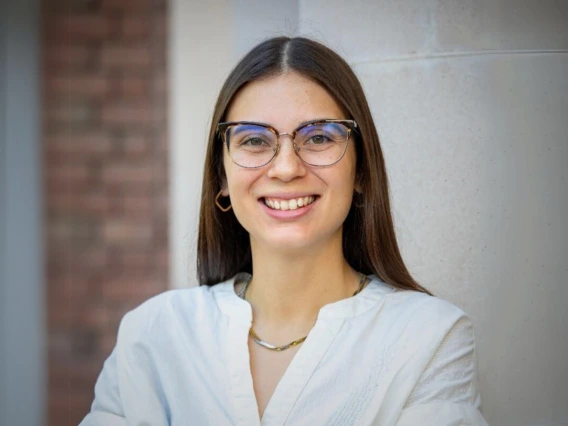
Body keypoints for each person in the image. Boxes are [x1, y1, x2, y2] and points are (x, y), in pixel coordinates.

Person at [80, 37, 488, 426]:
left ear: (361, 170)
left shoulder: (429, 338)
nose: (287, 168)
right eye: (255, 140)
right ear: (221, 176)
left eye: (319, 138)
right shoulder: (154, 333)